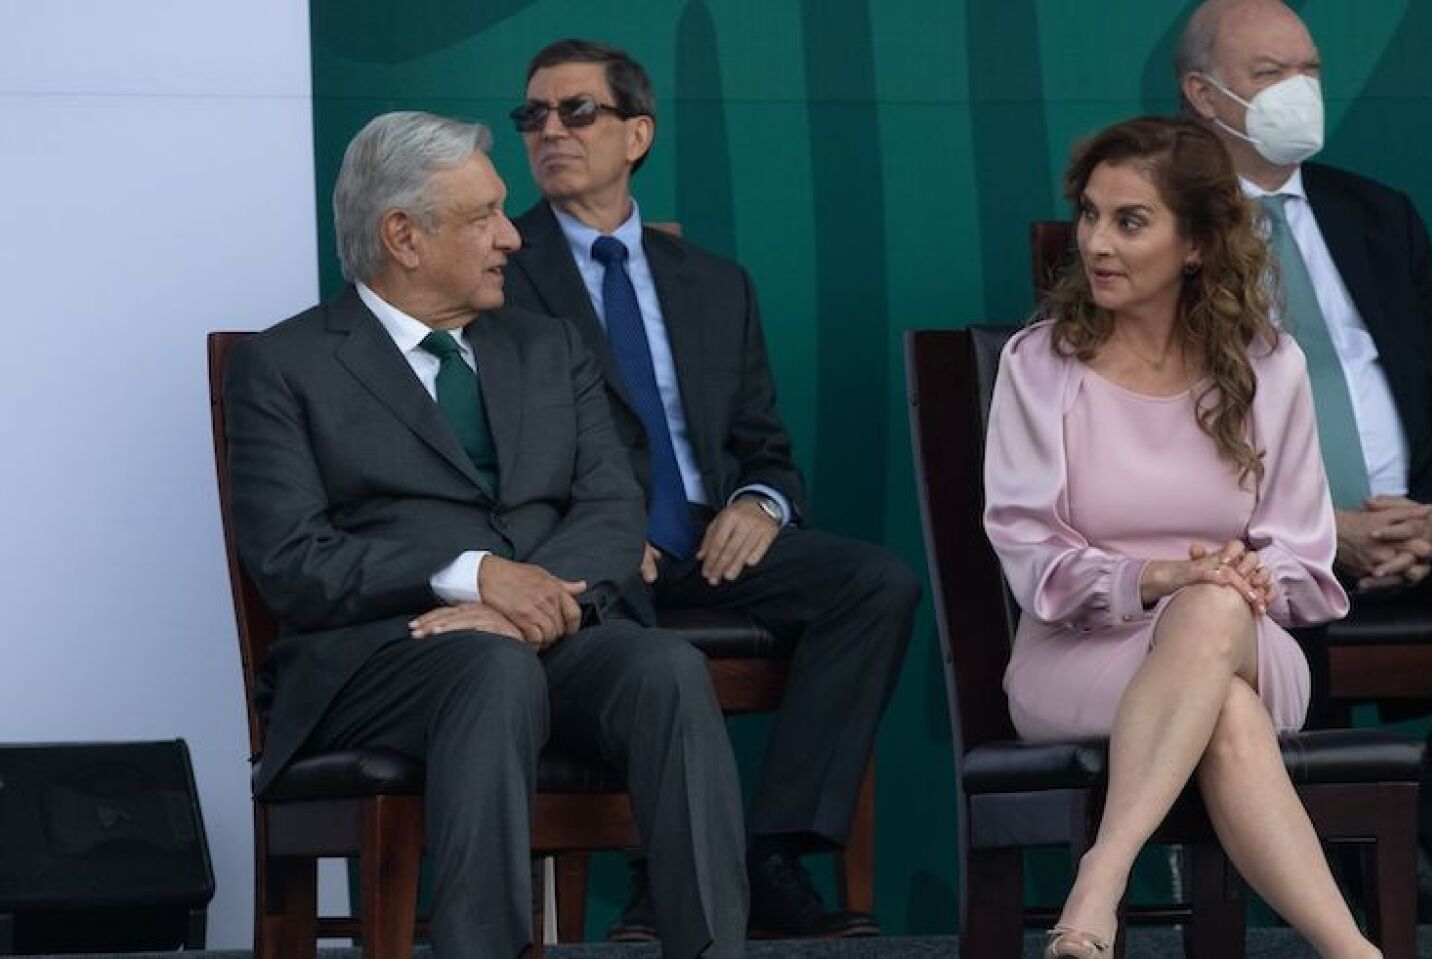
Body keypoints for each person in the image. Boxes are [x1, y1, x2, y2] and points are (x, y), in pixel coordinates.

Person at [224, 111, 748, 959]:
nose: (513, 236)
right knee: (489, 666)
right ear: (404, 235)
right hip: (381, 655)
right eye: (484, 217)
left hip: (555, 627)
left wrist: (527, 599)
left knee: (665, 666)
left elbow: (614, 506)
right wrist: (472, 575)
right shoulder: (286, 367)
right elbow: (294, 564)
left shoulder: (551, 347)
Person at [500, 38, 920, 940]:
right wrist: (598, 524)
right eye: (533, 116)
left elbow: (766, 448)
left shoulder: (715, 284)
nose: (550, 131)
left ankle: (765, 848)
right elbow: (493, 445)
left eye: (578, 111)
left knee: (876, 582)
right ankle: (669, 870)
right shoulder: (503, 269)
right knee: (627, 623)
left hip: (709, 540)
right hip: (589, 545)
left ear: (637, 133)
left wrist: (757, 506)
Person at [984, 116, 1375, 958]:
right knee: (1219, 682)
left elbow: (1304, 555)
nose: (1097, 242)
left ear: (1196, 243)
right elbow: (1032, 555)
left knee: (1213, 615)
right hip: (1079, 655)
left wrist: (1248, 580)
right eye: (1090, 215)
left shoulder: (1269, 364)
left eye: (1130, 221)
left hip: (1249, 641)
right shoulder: (1038, 364)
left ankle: (1100, 880)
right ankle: (1355, 952)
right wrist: (1157, 577)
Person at [1176, 0, 1432, 912]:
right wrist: (1327, 528)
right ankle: (1352, 874)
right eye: (1270, 74)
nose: (1301, 92)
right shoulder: (1163, 227)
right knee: (1259, 610)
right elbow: (1156, 432)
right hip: (1262, 542)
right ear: (1202, 95)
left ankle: (1420, 837)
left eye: (1312, 71)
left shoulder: (1380, 215)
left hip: (1415, 526)